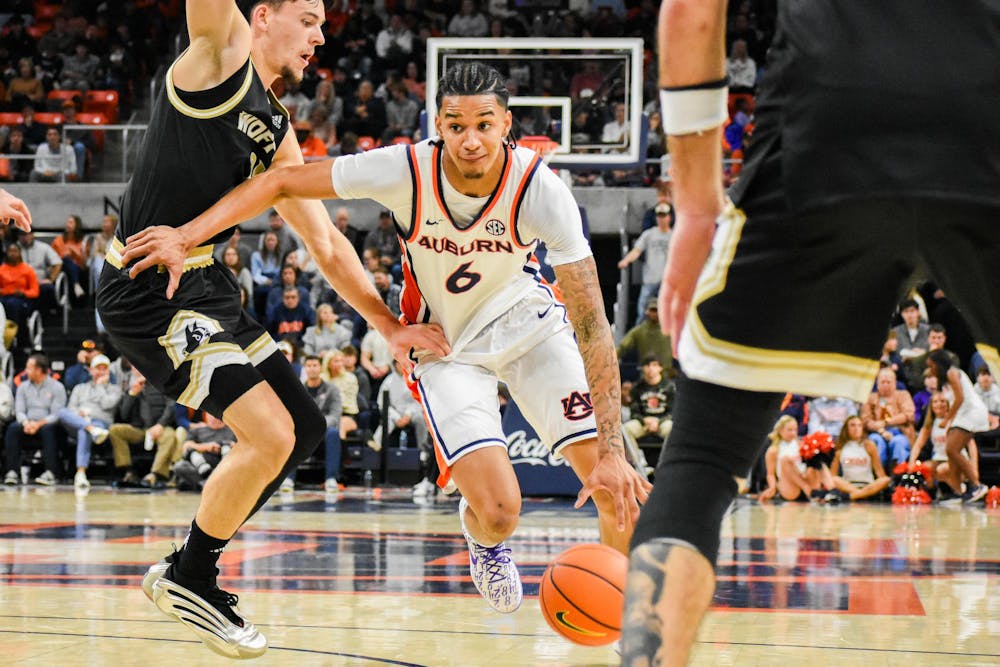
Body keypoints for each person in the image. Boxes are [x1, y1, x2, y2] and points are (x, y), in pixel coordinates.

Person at [124, 61, 649, 617]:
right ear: (437, 125)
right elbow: (279, 181)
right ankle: (485, 540)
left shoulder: (542, 189)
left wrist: (613, 450)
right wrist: (185, 235)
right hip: (445, 346)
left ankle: (627, 633)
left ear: (506, 124)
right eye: (456, 125)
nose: (471, 139)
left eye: (485, 125)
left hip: (531, 329)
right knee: (499, 511)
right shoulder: (404, 169)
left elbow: (592, 323)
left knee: (621, 493)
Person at [622, 1, 1000, 664]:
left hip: (825, 126)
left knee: (704, 457)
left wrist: (698, 206)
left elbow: (691, 12)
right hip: (985, 112)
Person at [97, 0, 448, 659]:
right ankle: (191, 576)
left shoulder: (275, 123)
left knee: (304, 427)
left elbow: (326, 243)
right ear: (262, 16)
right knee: (271, 433)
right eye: (309, 19)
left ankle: (190, 566)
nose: (320, 37)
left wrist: (387, 324)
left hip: (206, 285)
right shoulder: (219, 54)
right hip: (149, 284)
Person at [927, 349, 990, 503]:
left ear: (939, 364)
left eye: (932, 365)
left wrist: (946, 420)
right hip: (962, 414)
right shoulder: (945, 381)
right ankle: (957, 490)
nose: (930, 369)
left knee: (952, 449)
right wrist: (951, 423)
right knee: (951, 451)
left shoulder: (952, 373)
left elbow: (960, 398)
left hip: (972, 412)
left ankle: (976, 485)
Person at [280, 354, 342, 493]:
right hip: (305, 430)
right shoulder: (298, 389)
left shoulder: (332, 389)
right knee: (292, 433)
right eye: (309, 366)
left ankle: (331, 479)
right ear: (305, 368)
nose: (312, 369)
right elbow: (292, 413)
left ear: (320, 368)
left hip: (324, 429)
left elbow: (335, 415)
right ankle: (288, 479)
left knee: (333, 433)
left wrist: (318, 424)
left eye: (315, 365)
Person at [58, 353, 121, 489]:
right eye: (98, 368)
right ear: (91, 370)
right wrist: (80, 415)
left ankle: (81, 473)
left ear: (109, 371)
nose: (101, 371)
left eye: (104, 368)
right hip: (80, 422)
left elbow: (107, 405)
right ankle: (90, 429)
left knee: (84, 431)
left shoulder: (115, 390)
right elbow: (71, 408)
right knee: (62, 412)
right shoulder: (79, 388)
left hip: (101, 425)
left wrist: (100, 386)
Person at [4, 353, 66, 486]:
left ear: (39, 370)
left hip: (47, 423)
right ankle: (12, 472)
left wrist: (38, 424)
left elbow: (56, 414)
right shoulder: (23, 386)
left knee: (49, 430)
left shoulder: (57, 387)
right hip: (27, 422)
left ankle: (50, 473)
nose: (26, 371)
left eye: (29, 368)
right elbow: (19, 411)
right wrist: (26, 422)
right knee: (13, 428)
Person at [618, 201, 673, 325]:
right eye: (659, 215)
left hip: (667, 281)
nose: (661, 218)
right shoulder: (649, 234)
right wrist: (626, 260)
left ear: (669, 217)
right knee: (642, 312)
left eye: (664, 215)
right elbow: (637, 250)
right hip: (650, 280)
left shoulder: (674, 235)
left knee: (667, 313)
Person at [826, 415, 891, 502]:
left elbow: (880, 473)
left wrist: (881, 482)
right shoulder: (840, 448)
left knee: (886, 480)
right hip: (848, 485)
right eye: (852, 425)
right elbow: (832, 475)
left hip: (868, 485)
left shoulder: (869, 445)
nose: (856, 428)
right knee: (833, 479)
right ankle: (860, 494)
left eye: (859, 425)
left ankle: (852, 496)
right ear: (846, 428)